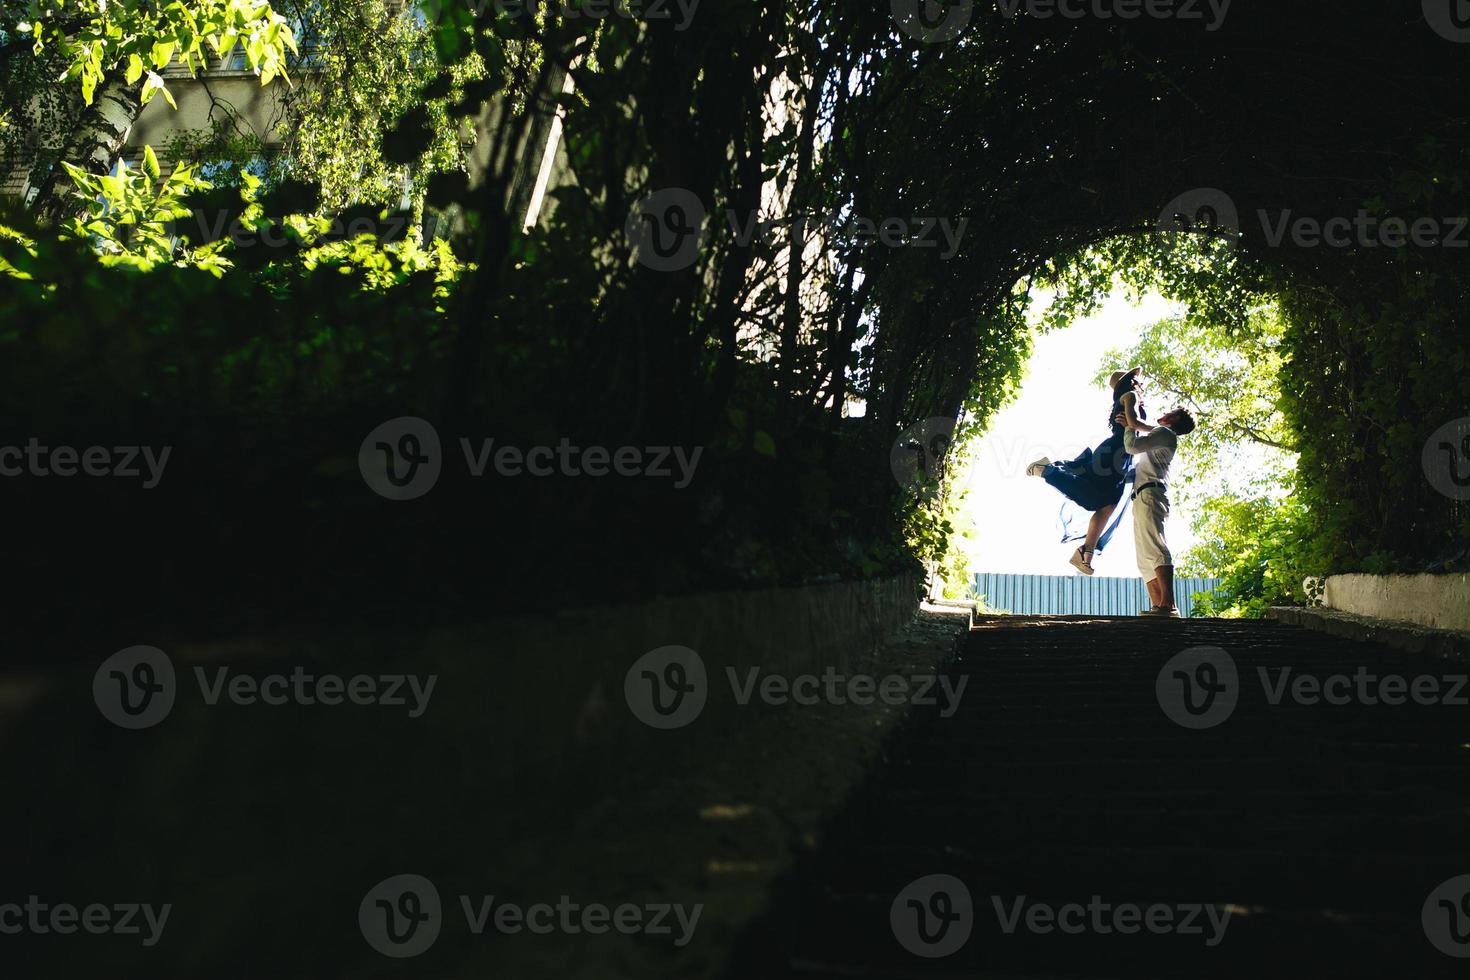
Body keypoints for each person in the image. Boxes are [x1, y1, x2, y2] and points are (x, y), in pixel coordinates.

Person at [1026, 367, 1149, 575]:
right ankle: (1046, 470)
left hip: (1120, 455)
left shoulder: (1128, 398)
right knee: (1095, 500)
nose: (1140, 382)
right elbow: (1135, 423)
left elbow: (1133, 426)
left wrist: (1134, 428)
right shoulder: (1131, 396)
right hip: (1115, 452)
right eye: (1136, 379)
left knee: (1109, 504)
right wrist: (1161, 431)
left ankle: (1085, 554)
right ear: (1130, 383)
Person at [1120, 407, 1196, 617]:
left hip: (1150, 494)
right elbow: (1142, 427)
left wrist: (1127, 424)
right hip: (1144, 496)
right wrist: (1131, 423)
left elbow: (1131, 446)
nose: (1164, 412)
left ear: (1174, 418)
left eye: (1170, 411)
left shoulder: (1164, 433)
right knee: (1144, 558)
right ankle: (1158, 606)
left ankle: (1168, 605)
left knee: (1154, 547)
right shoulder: (1162, 434)